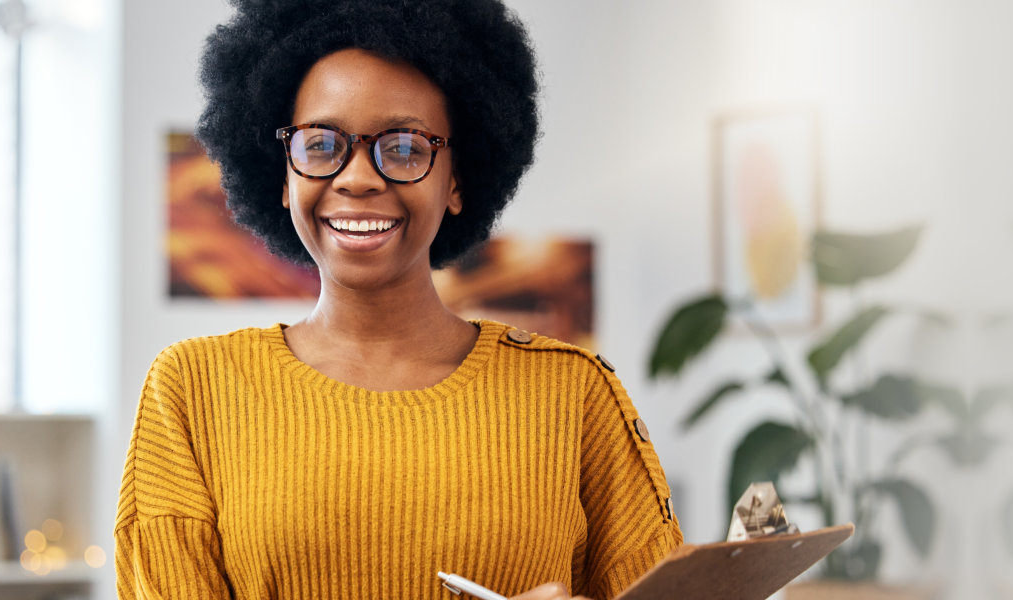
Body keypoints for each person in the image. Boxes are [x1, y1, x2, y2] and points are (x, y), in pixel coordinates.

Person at [116, 1, 681, 598]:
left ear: (456, 179)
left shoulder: (574, 394)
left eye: (406, 148)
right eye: (320, 144)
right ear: (283, 176)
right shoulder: (193, 390)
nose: (357, 178)